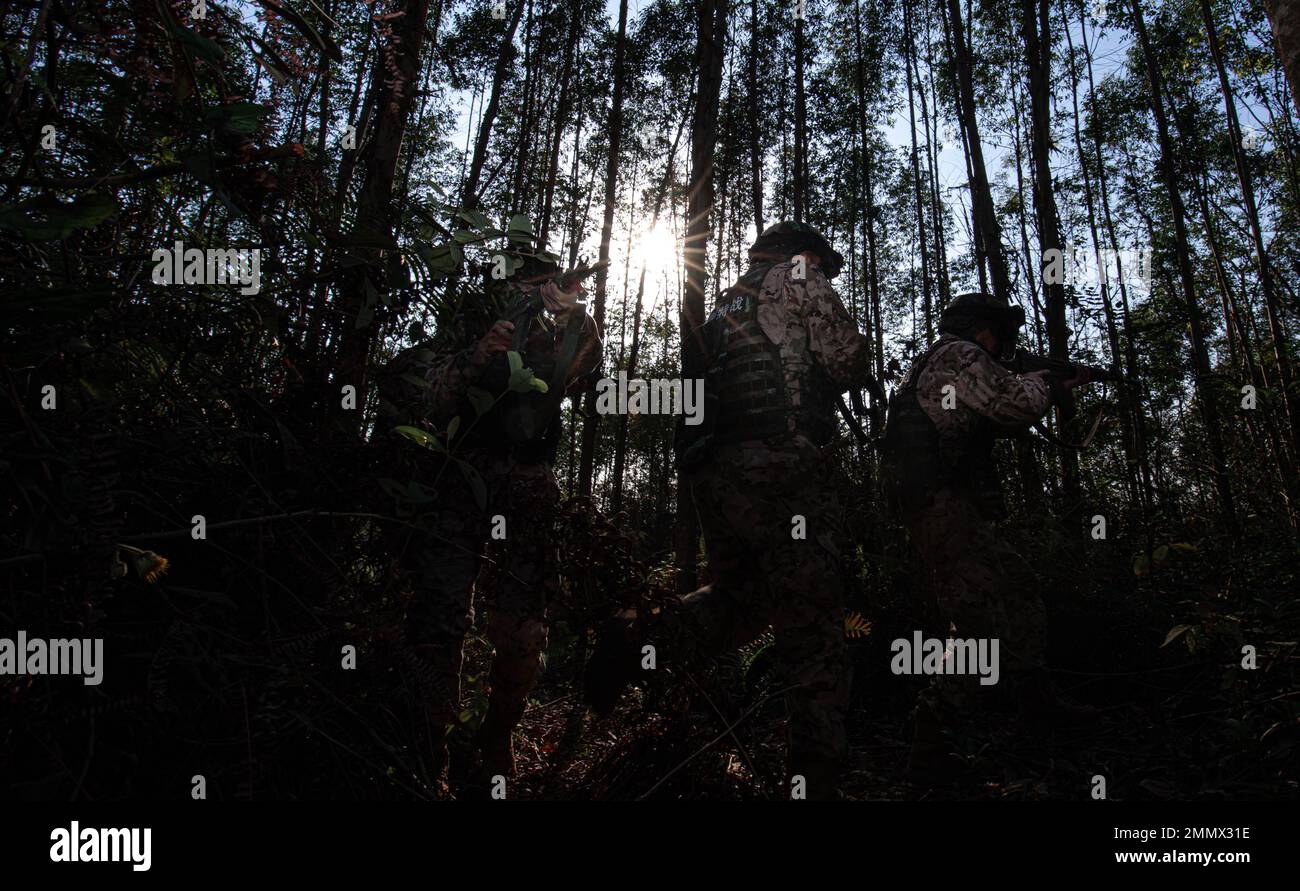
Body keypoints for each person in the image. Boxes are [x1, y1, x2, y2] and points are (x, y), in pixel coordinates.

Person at [585, 221, 873, 800]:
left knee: (741, 599)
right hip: (779, 466)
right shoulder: (800, 275)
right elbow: (847, 361)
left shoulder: (726, 303)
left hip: (718, 471)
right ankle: (815, 782)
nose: (823, 270)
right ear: (803, 254)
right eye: (821, 261)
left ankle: (643, 636)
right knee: (814, 621)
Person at [380, 256, 601, 793]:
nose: (534, 290)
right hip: (460, 477)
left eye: (542, 282)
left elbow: (587, 377)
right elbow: (423, 389)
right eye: (526, 282)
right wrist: (478, 354)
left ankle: (494, 743)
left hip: (526, 483)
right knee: (439, 618)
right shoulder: (472, 315)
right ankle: (428, 752)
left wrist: (568, 320)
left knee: (524, 624)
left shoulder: (566, 322)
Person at [879, 291, 1098, 784]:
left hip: (943, 503)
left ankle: (1035, 705)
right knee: (978, 622)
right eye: (999, 335)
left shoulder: (938, 359)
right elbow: (1012, 405)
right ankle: (931, 744)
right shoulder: (962, 355)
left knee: (1016, 586)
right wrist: (1049, 385)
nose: (1003, 346)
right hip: (941, 504)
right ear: (983, 330)